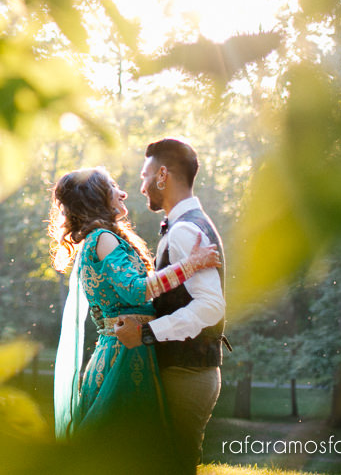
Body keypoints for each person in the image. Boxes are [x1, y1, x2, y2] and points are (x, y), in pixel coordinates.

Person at [50, 167, 219, 468]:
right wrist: (191, 265)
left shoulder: (98, 239)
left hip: (119, 349)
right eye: (113, 186)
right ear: (96, 198)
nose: (123, 192)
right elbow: (137, 291)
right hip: (126, 356)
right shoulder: (103, 239)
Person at [113, 138, 227, 474]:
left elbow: (211, 306)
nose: (141, 185)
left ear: (163, 175)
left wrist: (148, 333)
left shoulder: (185, 230)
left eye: (144, 175)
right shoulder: (184, 224)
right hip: (186, 371)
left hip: (187, 373)